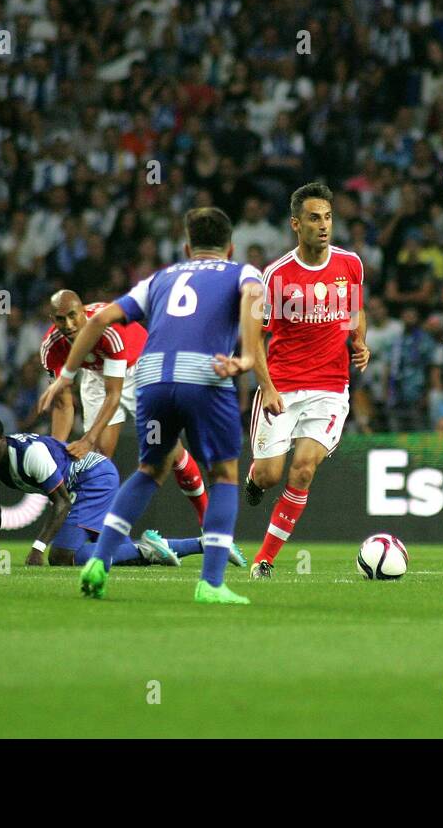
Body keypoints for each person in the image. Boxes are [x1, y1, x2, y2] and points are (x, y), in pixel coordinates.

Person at [39, 207, 263, 605]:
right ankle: (210, 584)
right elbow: (251, 300)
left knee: (149, 469)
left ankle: (100, 562)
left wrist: (66, 376)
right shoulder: (242, 272)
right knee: (226, 474)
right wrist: (246, 359)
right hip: (206, 374)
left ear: (186, 246)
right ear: (230, 247)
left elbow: (99, 320)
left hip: (152, 378)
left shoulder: (160, 277)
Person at [242, 182, 369, 577]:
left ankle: (264, 560)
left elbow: (354, 310)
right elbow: (255, 338)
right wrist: (266, 386)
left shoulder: (350, 264)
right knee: (270, 474)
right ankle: (255, 478)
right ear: (297, 224)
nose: (324, 225)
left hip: (331, 388)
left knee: (303, 470)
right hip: (281, 386)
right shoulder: (276, 275)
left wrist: (359, 341)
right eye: (315, 218)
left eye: (328, 217)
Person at [0, 415, 236, 570]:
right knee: (111, 550)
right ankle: (198, 545)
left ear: (3, 439)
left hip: (93, 478)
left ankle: (151, 551)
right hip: (81, 486)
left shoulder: (29, 455)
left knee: (62, 557)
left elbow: (61, 502)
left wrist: (37, 548)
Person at [38, 290, 208, 524]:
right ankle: (95, 530)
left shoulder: (108, 329)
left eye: (72, 316)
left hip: (142, 368)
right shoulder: (51, 347)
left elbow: (114, 395)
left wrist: (87, 438)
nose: (68, 324)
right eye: (60, 319)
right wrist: (54, 453)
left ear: (82, 312)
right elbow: (63, 402)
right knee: (99, 457)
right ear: (52, 319)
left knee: (167, 449)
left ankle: (206, 519)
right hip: (98, 376)